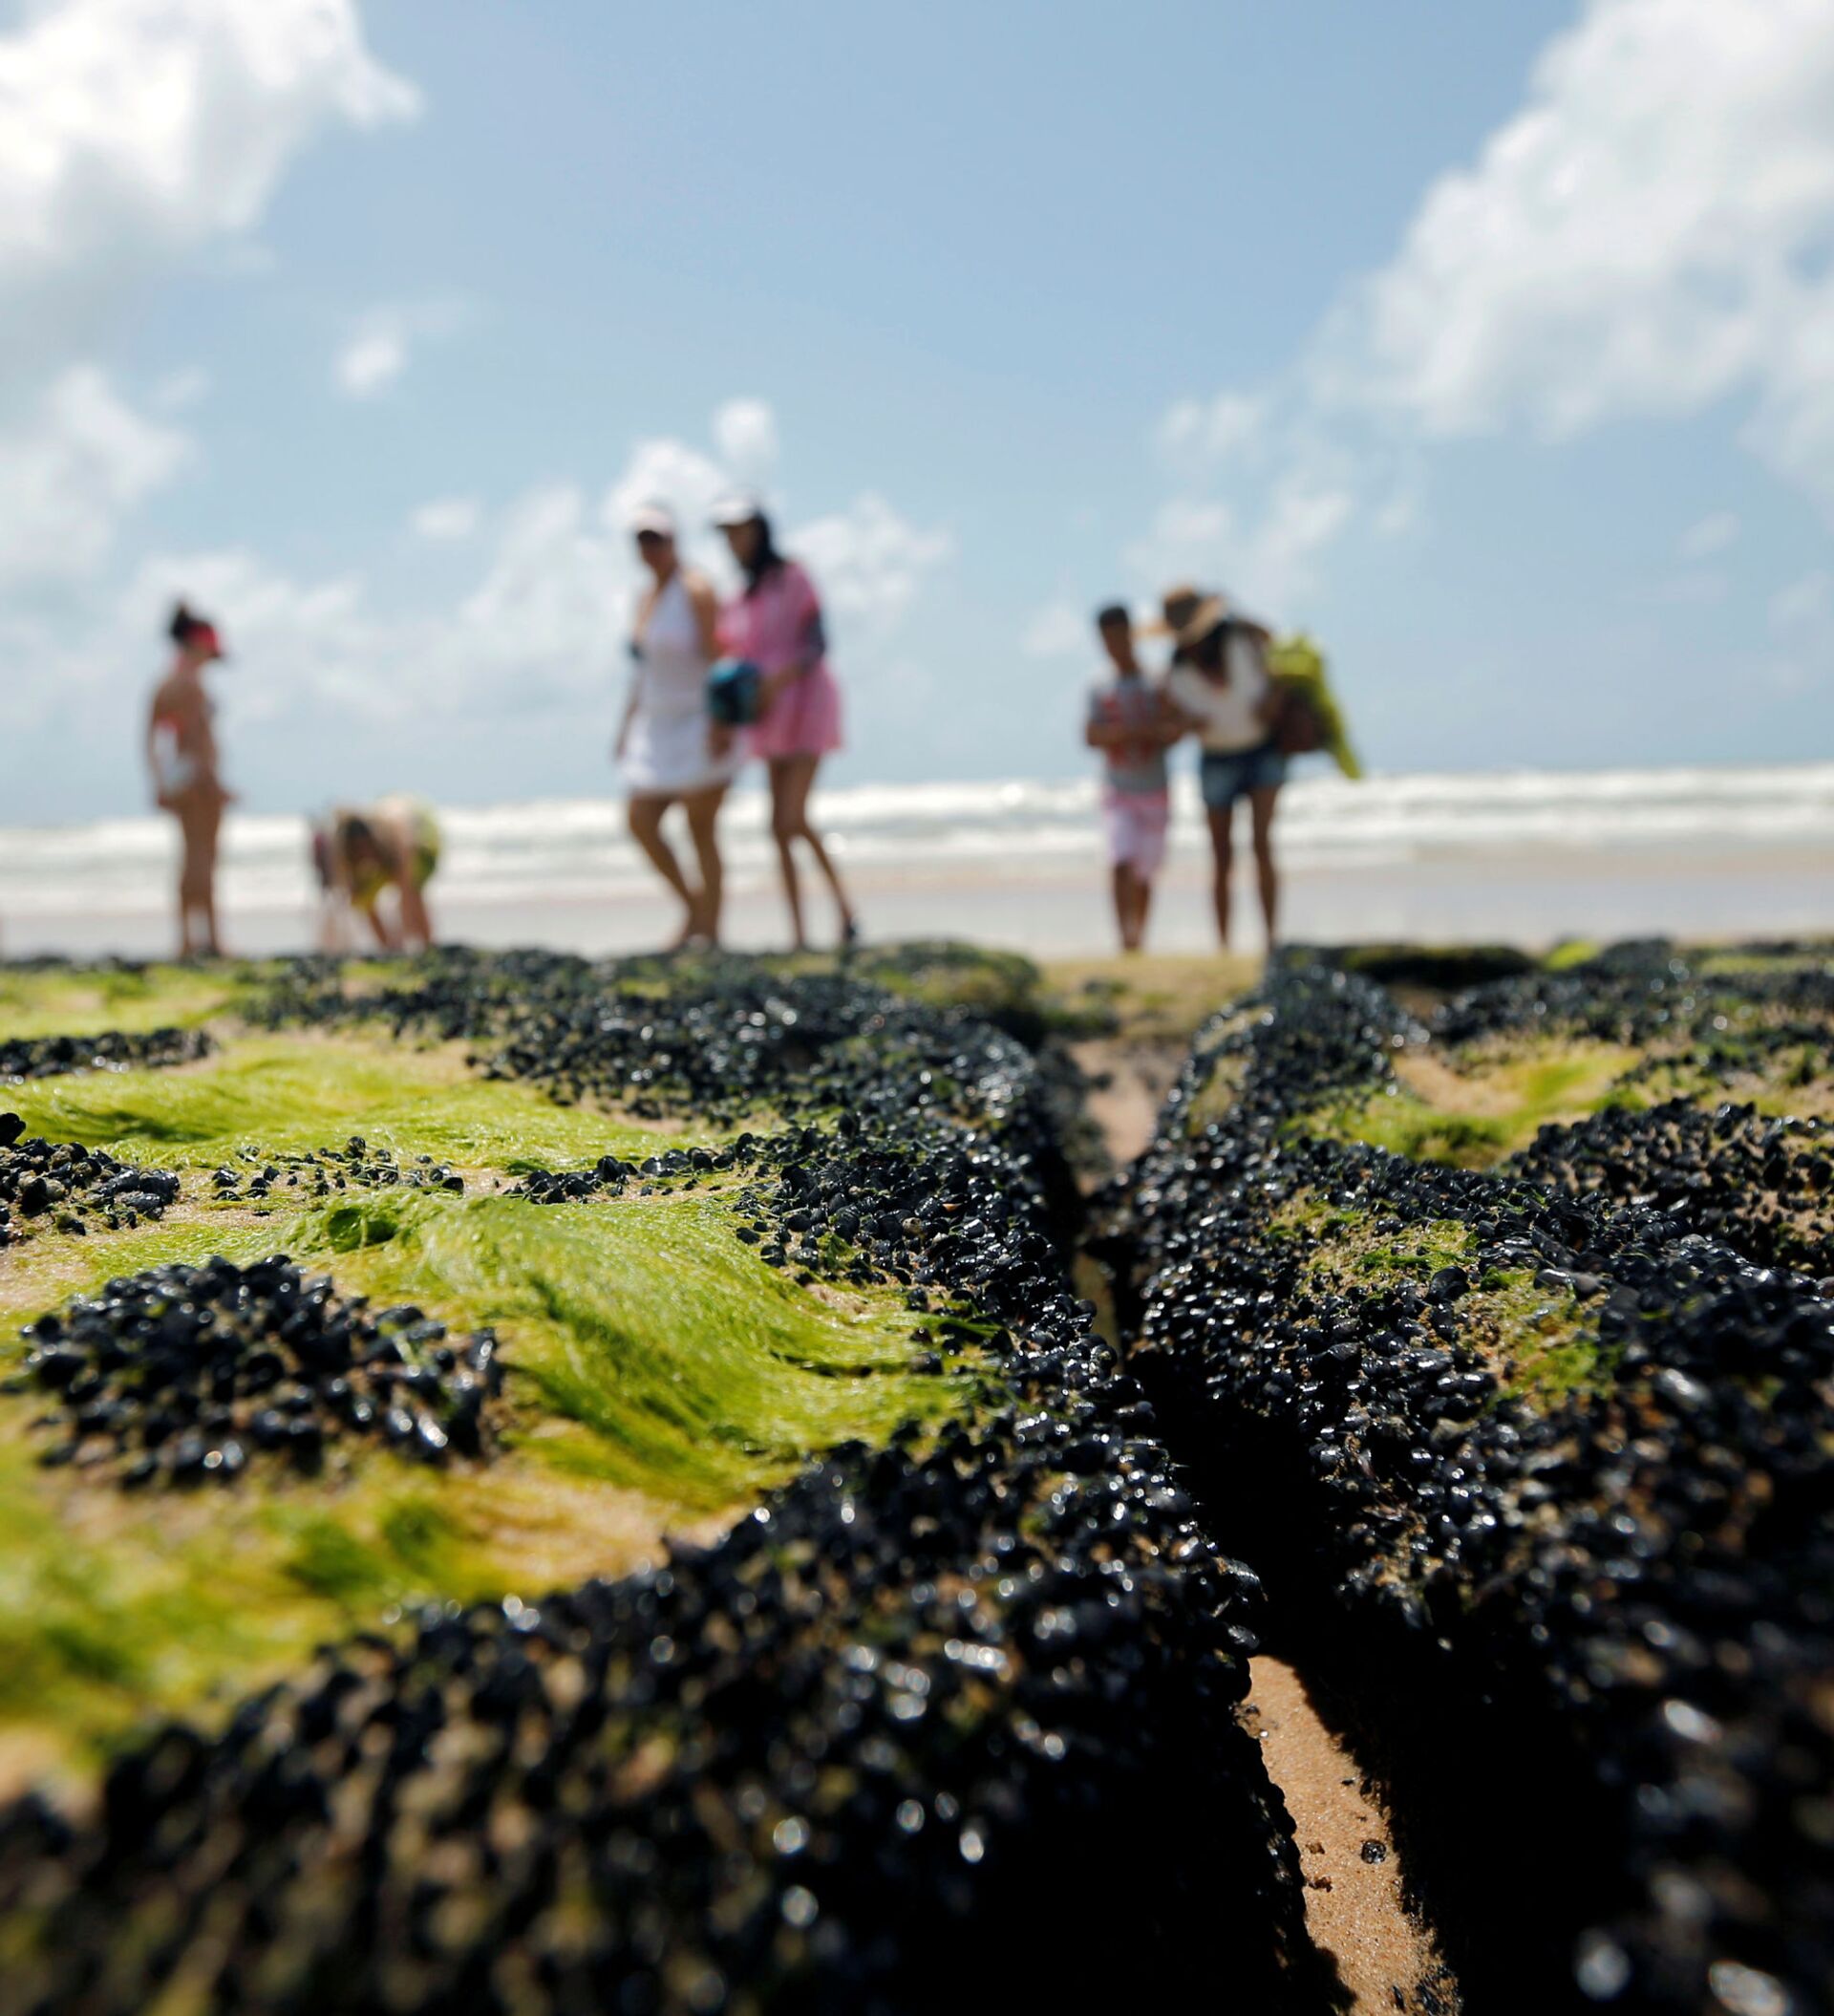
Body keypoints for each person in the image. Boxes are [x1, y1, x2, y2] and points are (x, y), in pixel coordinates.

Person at [712, 492, 858, 952]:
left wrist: (780, 678)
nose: (734, 540)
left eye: (739, 530)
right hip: (767, 716)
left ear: (758, 530)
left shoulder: (793, 577)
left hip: (807, 705)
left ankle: (843, 911)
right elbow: (729, 658)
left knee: (791, 819)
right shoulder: (739, 597)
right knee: (780, 826)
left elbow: (817, 642)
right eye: (727, 533)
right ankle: (800, 933)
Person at [614, 502, 738, 947]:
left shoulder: (697, 589)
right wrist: (625, 727)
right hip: (657, 726)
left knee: (700, 828)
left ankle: (711, 932)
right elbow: (642, 672)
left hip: (700, 718)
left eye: (657, 539)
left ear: (673, 540)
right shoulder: (645, 598)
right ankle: (694, 912)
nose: (649, 548)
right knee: (640, 820)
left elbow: (720, 658)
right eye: (642, 540)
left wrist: (722, 721)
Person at [1163, 589, 1287, 951]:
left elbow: (1283, 667)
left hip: (1262, 750)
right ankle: (1224, 945)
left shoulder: (1242, 640)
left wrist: (1274, 701)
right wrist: (1186, 724)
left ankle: (1270, 940)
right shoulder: (1176, 672)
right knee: (1221, 855)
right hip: (1216, 757)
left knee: (1262, 844)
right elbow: (1171, 724)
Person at [1084, 602, 1181, 953]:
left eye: (1119, 637)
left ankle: (1139, 935)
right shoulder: (1099, 686)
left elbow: (1174, 727)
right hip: (1118, 787)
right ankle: (1125, 939)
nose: (1115, 646)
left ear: (1131, 634)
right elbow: (1090, 735)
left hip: (1154, 788)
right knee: (1120, 860)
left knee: (1144, 871)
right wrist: (1125, 734)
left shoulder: (1157, 682)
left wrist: (1152, 733)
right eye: (1108, 639)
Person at [146, 601, 233, 958]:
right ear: (197, 645)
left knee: (189, 858)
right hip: (198, 781)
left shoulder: (164, 685)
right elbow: (198, 741)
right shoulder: (191, 686)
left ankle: (185, 939)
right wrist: (213, 782)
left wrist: (160, 782)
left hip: (178, 778)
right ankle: (211, 938)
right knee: (205, 860)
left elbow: (150, 739)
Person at [311, 798, 441, 952]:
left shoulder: (396, 842)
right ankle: (390, 949)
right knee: (366, 895)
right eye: (357, 850)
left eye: (365, 847)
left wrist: (404, 933)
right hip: (392, 827)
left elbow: (408, 894)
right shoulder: (345, 855)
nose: (363, 853)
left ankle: (428, 945)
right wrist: (391, 947)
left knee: (412, 893)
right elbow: (364, 902)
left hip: (422, 838)